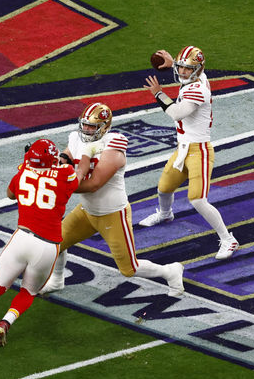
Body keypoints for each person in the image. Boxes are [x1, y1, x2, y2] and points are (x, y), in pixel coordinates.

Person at [0, 139, 83, 352]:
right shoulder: (65, 173)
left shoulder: (23, 173)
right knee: (28, 292)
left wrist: (26, 165)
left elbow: (11, 194)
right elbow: (76, 175)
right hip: (46, 246)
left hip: (21, 238)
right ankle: (4, 323)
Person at [39, 102, 184, 297]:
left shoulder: (113, 145)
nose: (87, 130)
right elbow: (67, 154)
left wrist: (56, 186)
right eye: (85, 125)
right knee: (54, 243)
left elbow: (94, 184)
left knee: (129, 269)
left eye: (92, 126)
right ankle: (57, 280)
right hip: (86, 211)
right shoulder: (76, 137)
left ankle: (170, 271)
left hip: (112, 214)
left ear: (105, 126)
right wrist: (54, 164)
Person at [139, 46, 239, 260]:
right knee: (164, 188)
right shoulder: (199, 77)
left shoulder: (199, 90)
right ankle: (166, 214)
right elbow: (188, 72)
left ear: (197, 69)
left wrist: (158, 93)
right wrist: (172, 63)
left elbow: (176, 113)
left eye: (187, 68)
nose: (182, 72)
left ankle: (228, 239)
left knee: (198, 200)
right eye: (181, 67)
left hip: (199, 151)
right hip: (183, 148)